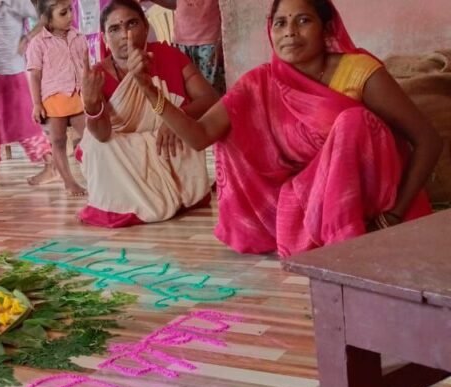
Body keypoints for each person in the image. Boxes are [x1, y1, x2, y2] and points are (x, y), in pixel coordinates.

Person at [143, 0, 439, 256]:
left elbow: (428, 140)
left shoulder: (358, 71)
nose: (290, 32)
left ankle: (349, 237)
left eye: (303, 20)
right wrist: (150, 93)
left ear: (326, 29)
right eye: (281, 23)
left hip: (375, 203)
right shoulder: (259, 83)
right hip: (308, 206)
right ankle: (329, 237)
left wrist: (394, 215)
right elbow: (200, 136)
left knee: (353, 122)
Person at [78, 0, 217, 228]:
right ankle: (128, 202)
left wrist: (175, 120)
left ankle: (174, 192)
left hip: (166, 142)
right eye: (114, 29)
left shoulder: (169, 56)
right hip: (122, 151)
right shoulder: (97, 75)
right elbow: (102, 135)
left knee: (186, 131)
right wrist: (91, 104)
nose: (125, 34)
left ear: (145, 27)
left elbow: (209, 99)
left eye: (132, 24)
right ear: (104, 38)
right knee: (97, 148)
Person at [0, 0, 56, 190]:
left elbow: (45, 18)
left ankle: (51, 167)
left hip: (12, 75)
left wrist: (27, 37)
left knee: (25, 125)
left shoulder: (15, 2)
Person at [26, 0, 89, 196]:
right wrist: (37, 103)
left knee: (91, 139)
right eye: (63, 13)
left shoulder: (79, 37)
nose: (70, 15)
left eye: (70, 10)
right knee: (59, 141)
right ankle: (69, 183)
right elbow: (34, 75)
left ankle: (97, 174)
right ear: (47, 19)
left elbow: (86, 67)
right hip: (53, 98)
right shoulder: (38, 44)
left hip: (78, 95)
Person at [146, 0, 226, 94]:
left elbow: (225, 9)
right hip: (181, 42)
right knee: (186, 88)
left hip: (209, 43)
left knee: (211, 89)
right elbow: (176, 3)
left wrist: (221, 41)